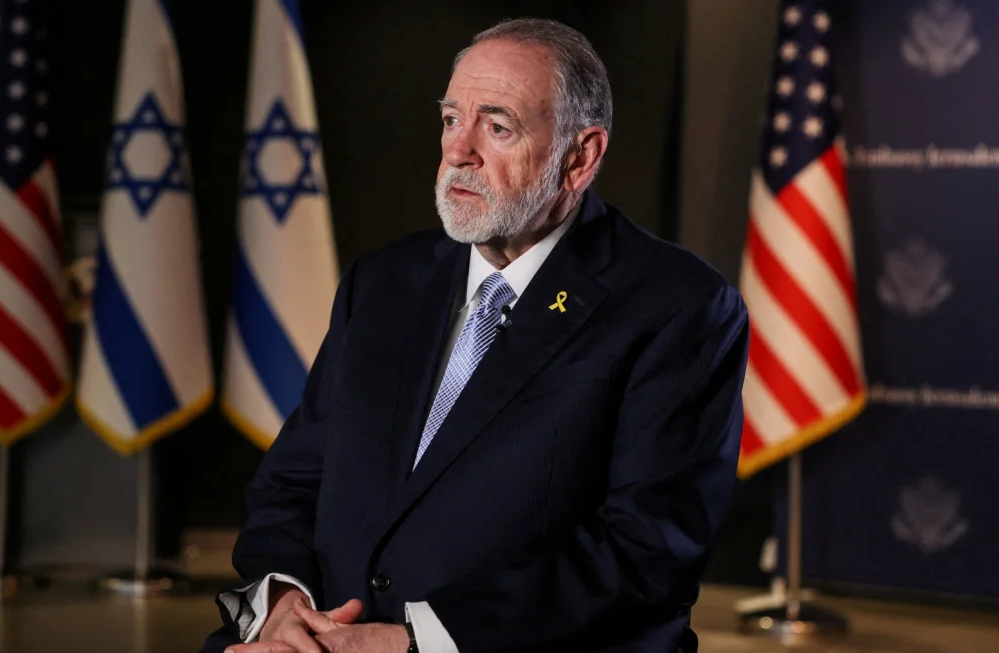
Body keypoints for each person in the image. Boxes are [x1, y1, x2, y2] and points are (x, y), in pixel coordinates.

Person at [202, 17, 748, 653]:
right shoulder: (381, 284)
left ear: (580, 157)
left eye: (497, 126)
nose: (458, 150)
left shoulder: (679, 308)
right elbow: (292, 481)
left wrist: (413, 643)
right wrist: (281, 603)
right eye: (450, 119)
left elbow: (646, 552)